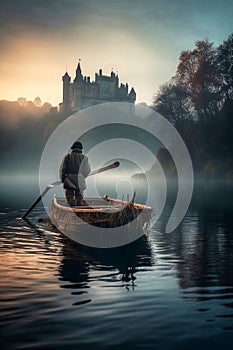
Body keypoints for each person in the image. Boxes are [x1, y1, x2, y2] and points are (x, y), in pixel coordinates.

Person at [59, 141, 91, 206]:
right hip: (80, 180)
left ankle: (71, 211)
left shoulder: (67, 157)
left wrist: (63, 179)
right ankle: (79, 212)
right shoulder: (85, 158)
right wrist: (82, 176)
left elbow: (62, 170)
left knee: (69, 198)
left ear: (72, 148)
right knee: (79, 198)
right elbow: (88, 170)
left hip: (69, 180)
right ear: (81, 149)